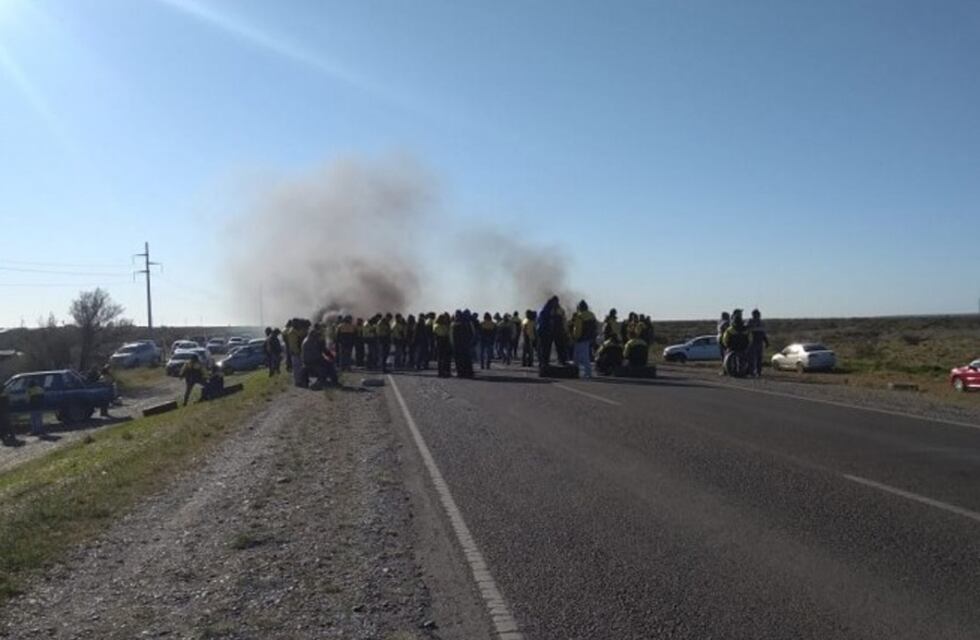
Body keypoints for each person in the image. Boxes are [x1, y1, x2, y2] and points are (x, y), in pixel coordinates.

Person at [571, 300, 598, 379]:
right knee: (584, 355)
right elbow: (595, 327)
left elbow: (578, 329)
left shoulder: (580, 316)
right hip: (589, 338)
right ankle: (584, 372)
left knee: (579, 356)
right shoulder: (592, 315)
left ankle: (584, 373)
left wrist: (575, 338)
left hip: (581, 338)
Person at [722, 309, 752, 376]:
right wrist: (748, 345)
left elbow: (725, 338)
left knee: (726, 357)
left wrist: (726, 345)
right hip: (743, 347)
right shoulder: (746, 329)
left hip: (732, 347)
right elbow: (750, 338)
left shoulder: (730, 329)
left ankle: (726, 371)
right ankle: (746, 371)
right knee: (744, 359)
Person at [536, 296, 560, 373]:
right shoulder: (547, 310)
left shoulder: (544, 309)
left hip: (543, 332)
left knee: (544, 348)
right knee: (545, 348)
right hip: (545, 332)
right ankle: (544, 364)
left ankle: (543, 363)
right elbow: (547, 321)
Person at [451, 311, 475, 378]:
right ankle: (469, 372)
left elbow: (452, 337)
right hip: (466, 344)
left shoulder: (454, 325)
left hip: (457, 345)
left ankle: (460, 373)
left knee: (459, 360)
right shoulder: (467, 324)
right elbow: (472, 334)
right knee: (467, 359)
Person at [747, 309, 770, 377]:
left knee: (759, 358)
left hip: (759, 342)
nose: (758, 315)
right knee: (752, 358)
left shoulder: (761, 322)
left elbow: (763, 334)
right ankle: (751, 371)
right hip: (752, 342)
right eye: (757, 314)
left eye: (758, 314)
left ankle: (758, 372)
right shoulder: (750, 322)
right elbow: (747, 331)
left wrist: (766, 342)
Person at [433, 313, 453, 378]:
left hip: (439, 341)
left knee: (440, 358)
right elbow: (447, 333)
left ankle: (440, 372)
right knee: (444, 358)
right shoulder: (445, 326)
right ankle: (445, 371)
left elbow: (435, 334)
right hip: (444, 341)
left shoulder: (435, 325)